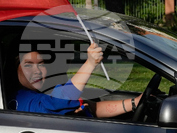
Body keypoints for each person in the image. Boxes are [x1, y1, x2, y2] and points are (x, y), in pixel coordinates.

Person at [13, 42, 144, 117]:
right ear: (15, 69)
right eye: (28, 65)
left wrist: (134, 102)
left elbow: (93, 107)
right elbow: (56, 102)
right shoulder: (21, 99)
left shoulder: (40, 93)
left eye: (41, 64)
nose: (37, 71)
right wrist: (90, 64)